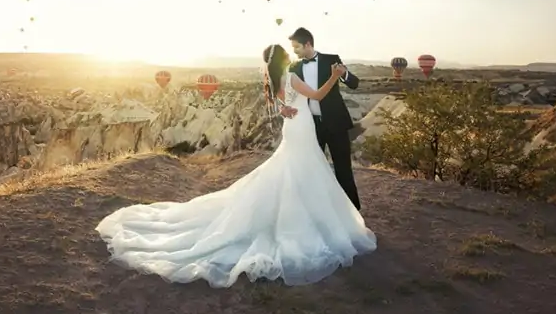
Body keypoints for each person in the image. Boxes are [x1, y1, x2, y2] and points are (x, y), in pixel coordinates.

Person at [94, 44, 376, 288]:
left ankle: (295, 216)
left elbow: (282, 104)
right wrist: (334, 76)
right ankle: (308, 221)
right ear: (284, 60)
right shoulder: (291, 75)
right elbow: (316, 96)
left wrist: (285, 108)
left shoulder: (276, 80)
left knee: (292, 171)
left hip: (293, 128)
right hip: (301, 129)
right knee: (303, 171)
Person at [279, 27, 362, 210]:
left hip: (336, 124)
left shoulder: (332, 60)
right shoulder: (294, 67)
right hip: (310, 126)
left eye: (297, 47)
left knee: (343, 170)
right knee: (312, 170)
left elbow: (354, 84)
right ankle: (316, 212)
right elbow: (289, 95)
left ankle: (353, 213)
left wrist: (344, 74)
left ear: (308, 44)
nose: (294, 52)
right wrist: (282, 108)